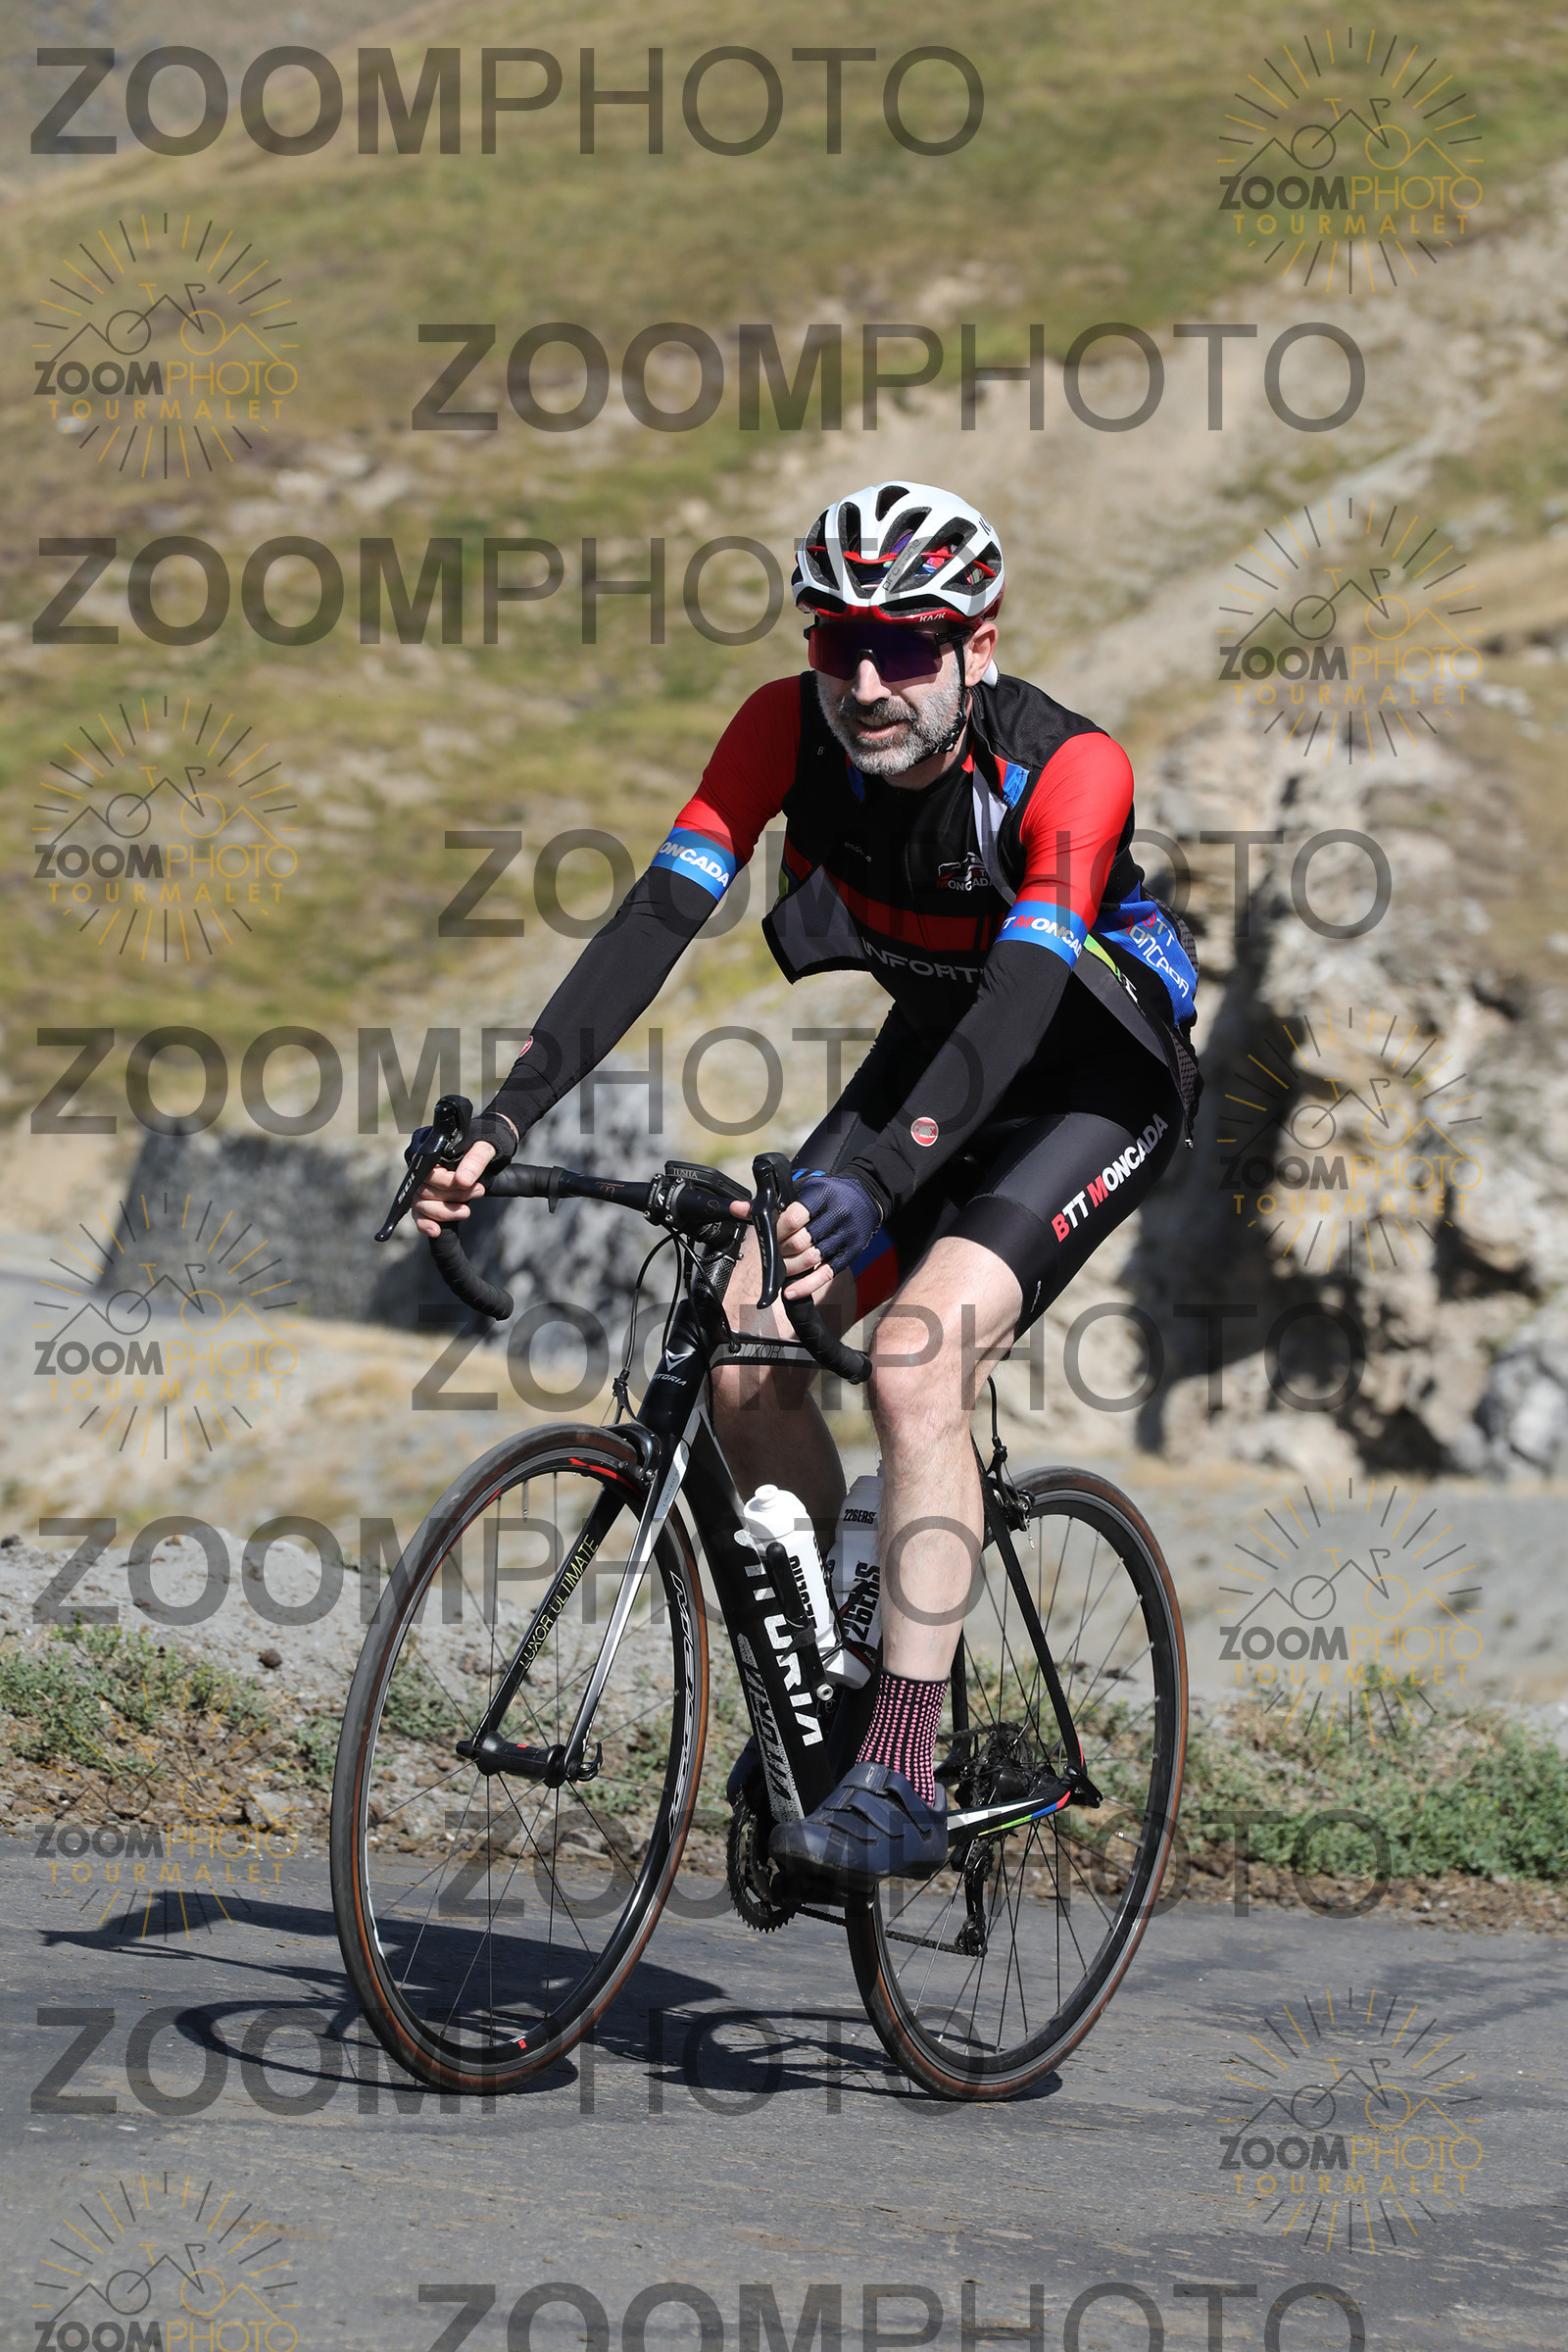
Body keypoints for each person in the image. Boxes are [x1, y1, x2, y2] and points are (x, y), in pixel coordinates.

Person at [412, 479, 1199, 1896]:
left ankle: (901, 1765)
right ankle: (834, 1686)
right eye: (841, 643)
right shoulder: (783, 725)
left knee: (917, 1361)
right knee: (743, 1337)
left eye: (907, 646)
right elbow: (657, 916)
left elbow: (1025, 996)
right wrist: (508, 1118)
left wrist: (883, 1184)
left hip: (1090, 1081)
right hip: (936, 1055)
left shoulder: (1070, 770)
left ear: (977, 647)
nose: (867, 683)